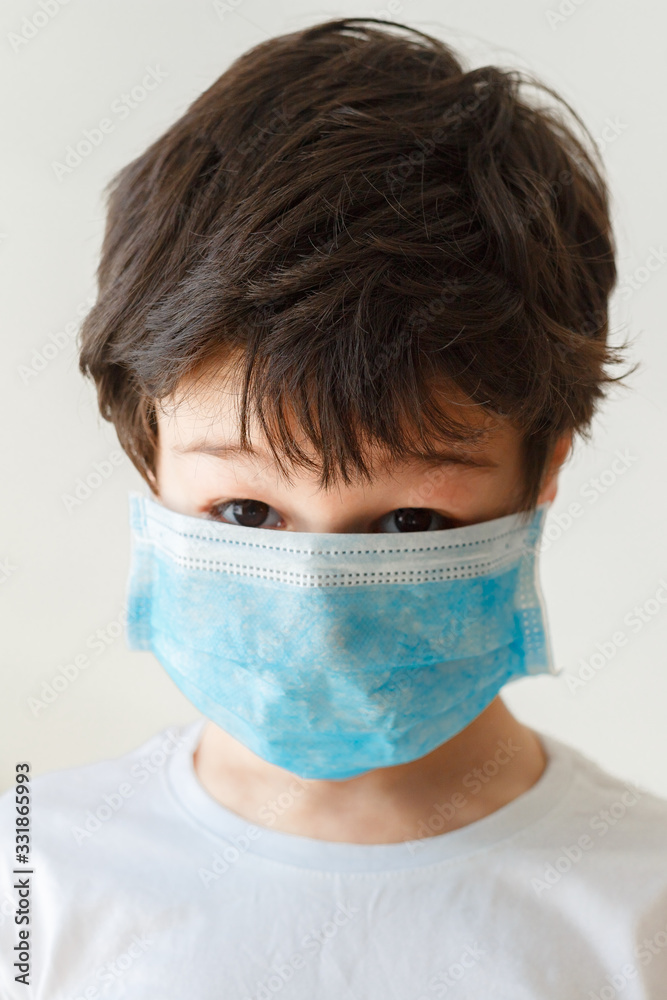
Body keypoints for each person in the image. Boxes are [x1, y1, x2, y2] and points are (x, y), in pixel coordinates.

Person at [2, 16, 666, 999]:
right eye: (244, 513)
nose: (315, 611)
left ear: (543, 468)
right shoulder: (33, 882)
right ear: (148, 456)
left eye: (408, 523)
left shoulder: (640, 911)